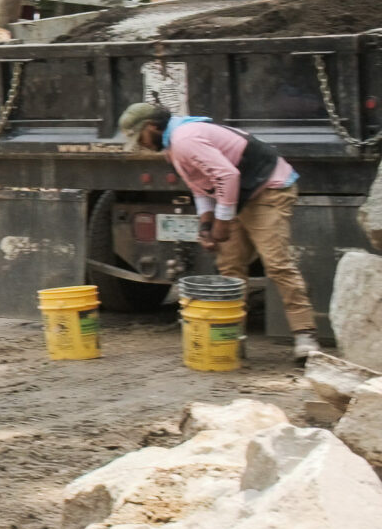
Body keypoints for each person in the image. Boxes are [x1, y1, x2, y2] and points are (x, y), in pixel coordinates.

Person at [117, 101, 319, 360]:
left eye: (140, 137)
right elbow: (201, 185)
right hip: (239, 196)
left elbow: (226, 176)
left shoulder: (185, 139)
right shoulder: (173, 147)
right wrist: (206, 224)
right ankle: (232, 339)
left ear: (153, 127)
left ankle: (305, 336)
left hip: (269, 188)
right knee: (230, 268)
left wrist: (221, 223)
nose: (142, 144)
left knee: (277, 264)